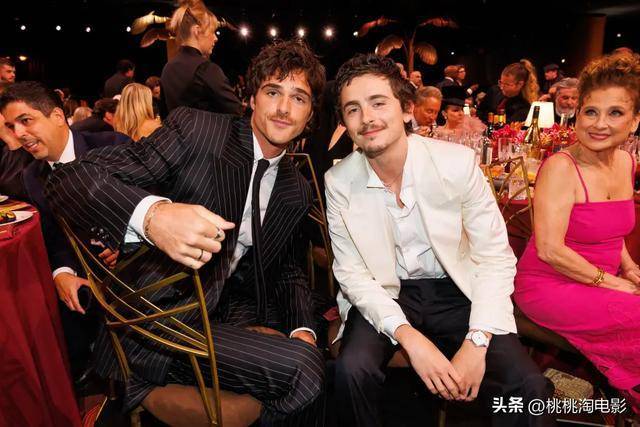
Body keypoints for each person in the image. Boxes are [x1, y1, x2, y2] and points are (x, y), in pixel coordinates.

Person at [46, 39, 326, 424]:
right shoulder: (198, 130)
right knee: (305, 372)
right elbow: (69, 179)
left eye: (299, 98)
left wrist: (303, 327)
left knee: (310, 357)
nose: (283, 108)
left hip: (229, 311)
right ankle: (138, 386)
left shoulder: (296, 189)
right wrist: (153, 216)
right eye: (273, 92)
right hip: (161, 322)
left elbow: (288, 269)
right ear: (251, 99)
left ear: (310, 114)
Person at [326, 53, 553, 427]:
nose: (366, 117)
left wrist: (476, 341)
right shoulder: (339, 181)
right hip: (386, 291)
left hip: (455, 289)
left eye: (378, 103)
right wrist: (409, 338)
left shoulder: (456, 163)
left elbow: (494, 257)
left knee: (528, 386)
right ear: (345, 122)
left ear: (406, 109)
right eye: (353, 109)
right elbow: (352, 274)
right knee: (351, 371)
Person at [515, 53, 640, 414]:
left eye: (615, 113)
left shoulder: (626, 162)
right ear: (577, 114)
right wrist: (612, 282)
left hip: (601, 281)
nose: (599, 124)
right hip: (549, 284)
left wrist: (629, 267)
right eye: (591, 112)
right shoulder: (561, 167)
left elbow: (611, 230)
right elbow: (550, 250)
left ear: (634, 121)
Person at [0, 81, 127, 383]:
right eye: (11, 126)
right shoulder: (33, 175)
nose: (19, 133)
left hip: (140, 271)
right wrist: (62, 272)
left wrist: (129, 243)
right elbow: (54, 235)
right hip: (86, 274)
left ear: (58, 116)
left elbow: (159, 203)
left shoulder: (112, 145)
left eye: (26, 120)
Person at [160, 0, 241, 117]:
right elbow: (237, 112)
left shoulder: (167, 68)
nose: (215, 38)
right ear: (197, 31)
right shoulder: (205, 69)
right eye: (212, 32)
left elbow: (165, 116)